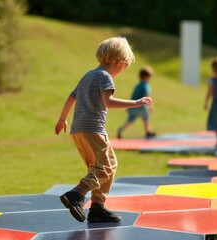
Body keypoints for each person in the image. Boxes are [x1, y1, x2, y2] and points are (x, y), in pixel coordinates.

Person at [54, 37, 152, 223]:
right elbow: (109, 102)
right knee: (104, 167)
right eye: (124, 66)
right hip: (94, 129)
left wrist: (62, 119)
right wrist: (136, 103)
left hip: (78, 130)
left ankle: (98, 207)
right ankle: (78, 193)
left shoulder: (88, 75)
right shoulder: (105, 77)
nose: (123, 71)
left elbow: (71, 97)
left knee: (109, 164)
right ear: (117, 62)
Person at [117, 66, 156, 139]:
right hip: (140, 106)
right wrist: (150, 107)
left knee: (130, 120)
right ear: (147, 77)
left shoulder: (138, 85)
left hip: (132, 106)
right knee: (146, 116)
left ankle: (121, 129)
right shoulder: (145, 85)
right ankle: (148, 131)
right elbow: (147, 96)